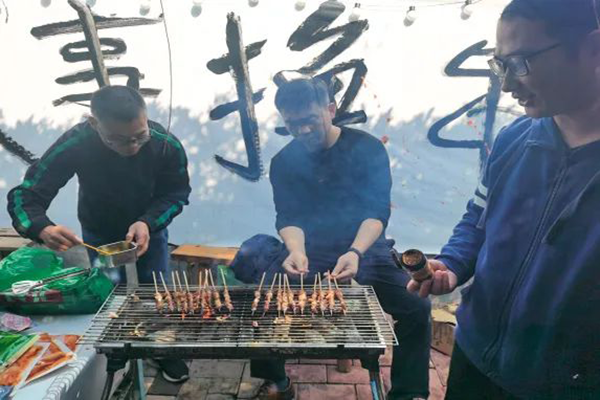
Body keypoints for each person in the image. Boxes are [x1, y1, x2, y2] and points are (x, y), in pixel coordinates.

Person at [408, 1, 600, 398]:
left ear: (593, 50)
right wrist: (453, 263)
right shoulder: (515, 138)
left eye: (520, 63)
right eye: (500, 65)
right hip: (475, 356)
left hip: (563, 385)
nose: (508, 84)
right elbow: (478, 218)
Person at [231, 78, 431, 400]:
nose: (303, 130)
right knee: (265, 297)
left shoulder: (367, 149)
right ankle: (278, 382)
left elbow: (377, 212)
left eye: (310, 120)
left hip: (365, 246)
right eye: (292, 124)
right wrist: (296, 250)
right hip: (311, 248)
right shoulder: (284, 162)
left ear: (331, 109)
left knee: (416, 304)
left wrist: (355, 252)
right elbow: (289, 216)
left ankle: (408, 393)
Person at [7, 85, 192, 383]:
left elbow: (176, 193)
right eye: (118, 139)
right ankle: (116, 355)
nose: (132, 146)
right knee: (108, 294)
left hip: (148, 231)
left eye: (139, 136)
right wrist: (42, 227)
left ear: (146, 119)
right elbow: (26, 196)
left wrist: (148, 222)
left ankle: (161, 348)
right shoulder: (77, 142)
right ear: (94, 123)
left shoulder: (164, 143)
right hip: (99, 233)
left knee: (155, 293)